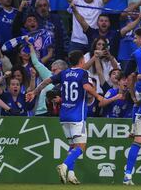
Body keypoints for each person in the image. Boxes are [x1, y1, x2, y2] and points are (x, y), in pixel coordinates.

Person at [26, 50, 106, 184]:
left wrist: (34, 92)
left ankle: (71, 173)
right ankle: (64, 166)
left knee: (72, 146)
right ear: (81, 60)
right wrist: (98, 96)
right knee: (81, 147)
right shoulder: (83, 73)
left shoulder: (64, 73)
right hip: (77, 116)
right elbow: (86, 86)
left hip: (64, 116)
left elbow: (46, 81)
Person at [50, 0, 127, 53]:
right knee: (74, 65)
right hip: (77, 41)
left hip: (93, 41)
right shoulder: (76, 1)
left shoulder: (99, 2)